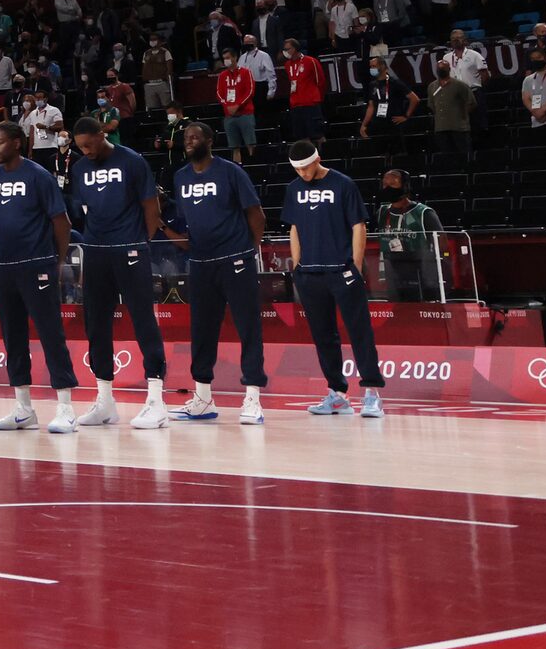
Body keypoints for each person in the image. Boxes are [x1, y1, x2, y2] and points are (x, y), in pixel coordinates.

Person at [64, 115, 169, 428]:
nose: (87, 152)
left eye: (90, 145)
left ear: (101, 134)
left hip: (131, 249)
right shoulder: (80, 168)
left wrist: (138, 242)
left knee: (142, 320)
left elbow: (152, 208)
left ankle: (156, 399)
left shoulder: (132, 162)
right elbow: (86, 212)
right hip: (96, 252)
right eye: (80, 147)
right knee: (95, 323)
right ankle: (105, 400)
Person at [166, 119, 269, 424]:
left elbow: (256, 214)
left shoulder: (230, 171)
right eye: (186, 137)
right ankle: (202, 398)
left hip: (235, 259)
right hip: (200, 263)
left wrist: (248, 250)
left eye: (195, 137)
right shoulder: (181, 177)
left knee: (248, 327)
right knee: (201, 331)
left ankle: (252, 398)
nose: (189, 141)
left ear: (209, 141)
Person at [0, 122, 79, 433]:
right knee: (13, 336)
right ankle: (23, 407)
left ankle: (65, 407)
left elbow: (60, 222)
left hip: (37, 264)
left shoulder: (38, 175)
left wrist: (57, 261)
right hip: (4, 266)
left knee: (51, 334)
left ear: (17, 143)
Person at [281, 142, 385, 418]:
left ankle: (372, 393)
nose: (303, 173)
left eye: (306, 167)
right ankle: (337, 394)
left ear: (318, 160)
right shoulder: (293, 189)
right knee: (323, 337)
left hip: (342, 270)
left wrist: (356, 265)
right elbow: (294, 227)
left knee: (360, 331)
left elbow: (358, 225)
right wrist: (297, 265)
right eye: (298, 169)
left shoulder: (343, 184)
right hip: (310, 274)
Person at [376, 170, 443, 303]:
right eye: (385, 184)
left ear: (405, 186)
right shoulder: (381, 213)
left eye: (393, 183)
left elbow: (442, 244)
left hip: (420, 273)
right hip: (392, 272)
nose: (388, 187)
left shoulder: (424, 213)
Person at [354, 52, 419, 152]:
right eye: (371, 66)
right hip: (378, 125)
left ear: (383, 66)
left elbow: (414, 99)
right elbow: (371, 106)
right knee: (379, 153)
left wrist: (406, 116)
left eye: (374, 66)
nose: (372, 69)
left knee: (397, 153)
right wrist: (364, 125)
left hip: (393, 125)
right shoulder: (372, 85)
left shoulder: (395, 82)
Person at [427, 53, 475, 170]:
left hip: (459, 128)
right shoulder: (432, 86)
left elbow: (472, 103)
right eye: (439, 69)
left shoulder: (460, 85)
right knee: (447, 158)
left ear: (449, 69)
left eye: (443, 68)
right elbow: (431, 105)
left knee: (464, 157)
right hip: (441, 128)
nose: (441, 70)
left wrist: (462, 116)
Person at [279, 40, 327, 146]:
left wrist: (317, 98)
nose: (285, 52)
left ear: (295, 49)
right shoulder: (287, 65)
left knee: (317, 135)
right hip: (296, 105)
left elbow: (321, 82)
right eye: (284, 49)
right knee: (302, 138)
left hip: (311, 104)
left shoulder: (311, 61)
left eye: (287, 49)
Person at [214, 49, 258, 156]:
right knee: (234, 147)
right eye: (224, 58)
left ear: (235, 58)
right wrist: (227, 106)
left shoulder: (246, 72)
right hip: (229, 116)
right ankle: (237, 167)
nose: (226, 61)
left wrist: (238, 105)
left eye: (228, 58)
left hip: (245, 114)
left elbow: (250, 91)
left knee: (250, 144)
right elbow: (219, 94)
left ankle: (253, 165)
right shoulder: (222, 76)